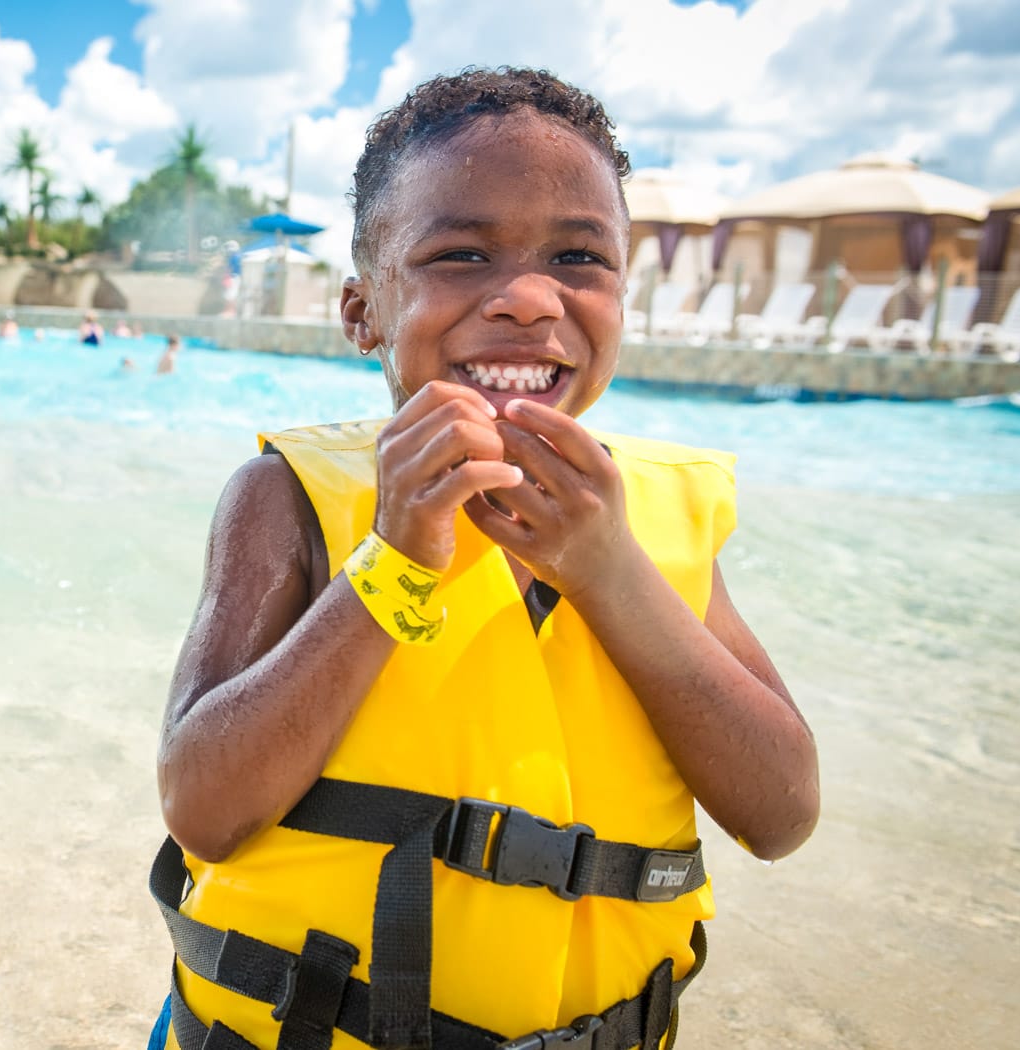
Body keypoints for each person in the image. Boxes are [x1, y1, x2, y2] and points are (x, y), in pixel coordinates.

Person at [148, 67, 819, 1050]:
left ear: (623, 295)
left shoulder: (655, 522)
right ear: (361, 311)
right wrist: (390, 562)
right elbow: (204, 811)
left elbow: (781, 812)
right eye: (459, 254)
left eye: (579, 257)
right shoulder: (286, 499)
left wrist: (608, 570)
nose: (525, 300)